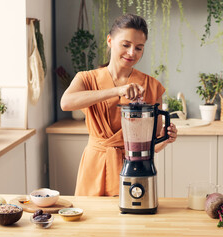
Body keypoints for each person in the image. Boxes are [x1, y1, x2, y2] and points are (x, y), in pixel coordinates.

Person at [60, 14, 178, 196]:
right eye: (126, 45)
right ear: (110, 41)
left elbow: (152, 145)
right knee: (91, 221)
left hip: (134, 167)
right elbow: (66, 102)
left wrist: (166, 140)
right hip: (94, 164)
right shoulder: (86, 78)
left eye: (139, 48)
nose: (132, 53)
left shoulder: (152, 86)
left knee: (131, 220)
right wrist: (117, 91)